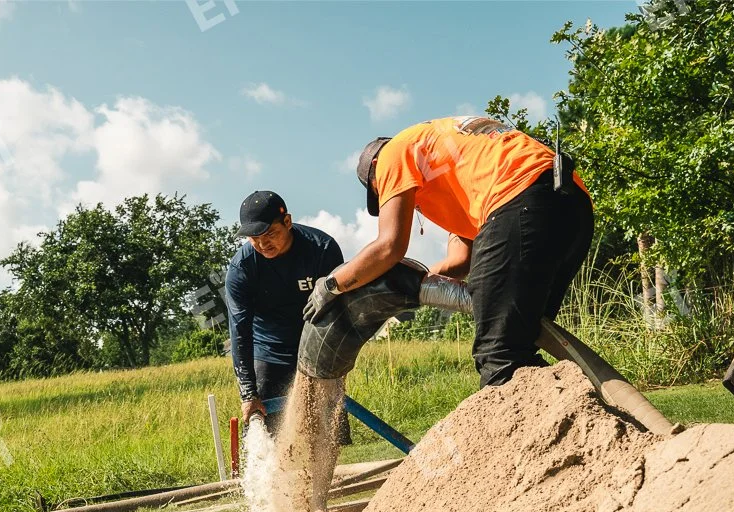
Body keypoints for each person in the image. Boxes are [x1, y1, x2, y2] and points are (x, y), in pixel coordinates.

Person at [305, 117, 592, 388]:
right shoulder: (454, 159)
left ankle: (532, 435)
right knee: (524, 338)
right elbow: (463, 261)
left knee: (500, 358)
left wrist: (331, 285)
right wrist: (417, 284)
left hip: (520, 197)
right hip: (570, 203)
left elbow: (389, 246)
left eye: (383, 192)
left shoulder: (392, 155)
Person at [224, 190, 347, 437]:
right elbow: (239, 331)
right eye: (253, 238)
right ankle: (266, 473)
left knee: (327, 430)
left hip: (318, 343)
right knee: (265, 430)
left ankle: (323, 476)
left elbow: (342, 310)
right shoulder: (242, 268)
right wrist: (248, 394)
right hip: (269, 350)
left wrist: (338, 360)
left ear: (287, 222)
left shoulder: (322, 250)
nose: (262, 244)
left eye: (270, 233)